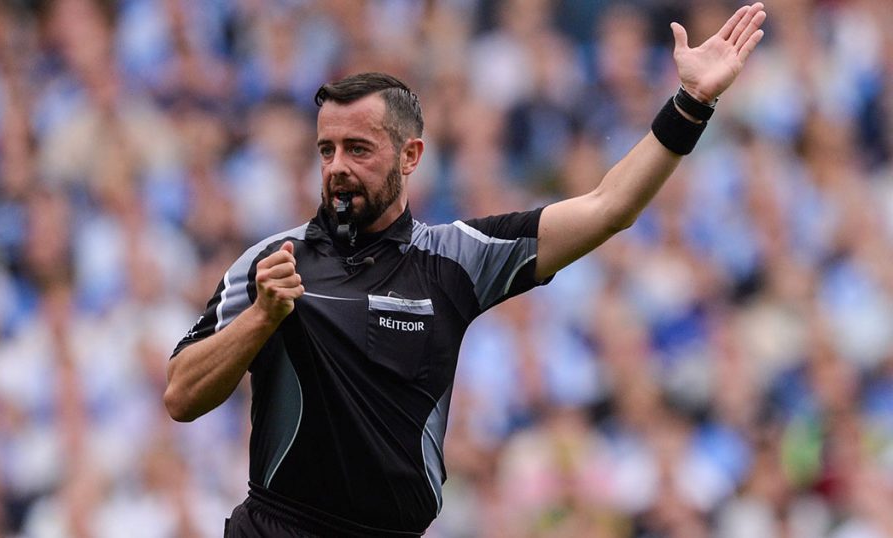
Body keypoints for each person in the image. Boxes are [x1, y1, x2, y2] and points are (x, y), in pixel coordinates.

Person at [164, 4, 767, 536]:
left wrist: (692, 103)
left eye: (358, 148)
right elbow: (181, 396)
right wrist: (260, 319)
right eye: (327, 150)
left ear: (411, 156)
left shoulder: (456, 257)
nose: (337, 166)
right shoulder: (273, 263)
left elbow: (610, 207)